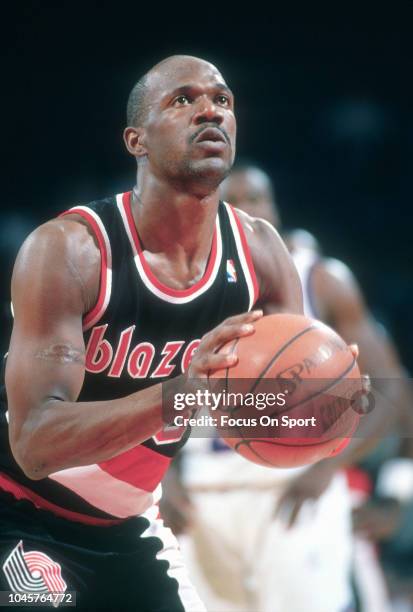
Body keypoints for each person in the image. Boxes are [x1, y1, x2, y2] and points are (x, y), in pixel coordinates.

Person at [0, 57, 306, 611]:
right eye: (183, 100)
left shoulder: (261, 253)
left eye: (223, 100)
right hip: (18, 510)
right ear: (135, 140)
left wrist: (325, 391)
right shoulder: (71, 250)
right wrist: (182, 393)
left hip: (130, 525)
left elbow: (274, 418)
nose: (210, 110)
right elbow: (35, 445)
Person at [168, 163, 407, 612]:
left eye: (257, 199)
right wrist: (162, 476)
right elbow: (156, 393)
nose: (246, 210)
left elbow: (391, 390)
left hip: (293, 489)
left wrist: (331, 464)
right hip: (202, 499)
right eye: (232, 201)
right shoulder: (177, 288)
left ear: (274, 208)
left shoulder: (321, 278)